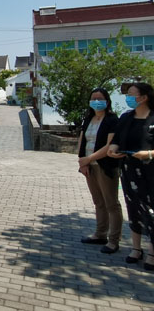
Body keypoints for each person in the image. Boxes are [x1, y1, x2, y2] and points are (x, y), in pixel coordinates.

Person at [108, 82, 154, 271]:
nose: (127, 97)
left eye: (131, 94)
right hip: (129, 170)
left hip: (150, 172)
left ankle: (152, 252)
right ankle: (136, 249)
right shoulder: (126, 117)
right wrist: (113, 149)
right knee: (133, 208)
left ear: (143, 97)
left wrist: (149, 154)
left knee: (151, 211)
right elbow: (117, 139)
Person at [77, 88, 121, 254]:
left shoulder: (112, 120)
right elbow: (82, 140)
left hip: (105, 165)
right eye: (93, 98)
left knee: (111, 204)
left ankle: (114, 240)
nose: (96, 101)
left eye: (100, 98)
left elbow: (109, 145)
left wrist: (89, 159)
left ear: (107, 101)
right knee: (98, 201)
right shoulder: (88, 118)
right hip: (89, 166)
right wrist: (82, 161)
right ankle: (100, 233)